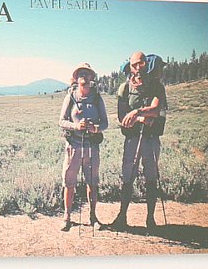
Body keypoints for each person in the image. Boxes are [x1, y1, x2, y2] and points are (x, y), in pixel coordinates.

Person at [112, 51, 166, 230]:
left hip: (151, 139)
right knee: (128, 178)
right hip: (132, 139)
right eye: (134, 64)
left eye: (141, 63)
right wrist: (142, 118)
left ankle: (150, 219)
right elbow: (122, 117)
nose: (137, 67)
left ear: (146, 64)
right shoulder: (125, 88)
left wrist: (136, 112)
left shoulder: (157, 87)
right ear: (130, 66)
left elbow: (156, 110)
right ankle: (122, 217)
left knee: (151, 178)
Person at [58, 64, 108, 231]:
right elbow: (61, 121)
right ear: (76, 78)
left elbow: (105, 123)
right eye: (81, 74)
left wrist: (95, 128)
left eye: (87, 74)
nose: (84, 77)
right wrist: (76, 126)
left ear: (91, 77)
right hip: (73, 146)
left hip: (91, 147)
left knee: (92, 183)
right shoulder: (70, 97)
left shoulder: (97, 98)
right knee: (69, 182)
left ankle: (93, 217)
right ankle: (67, 216)